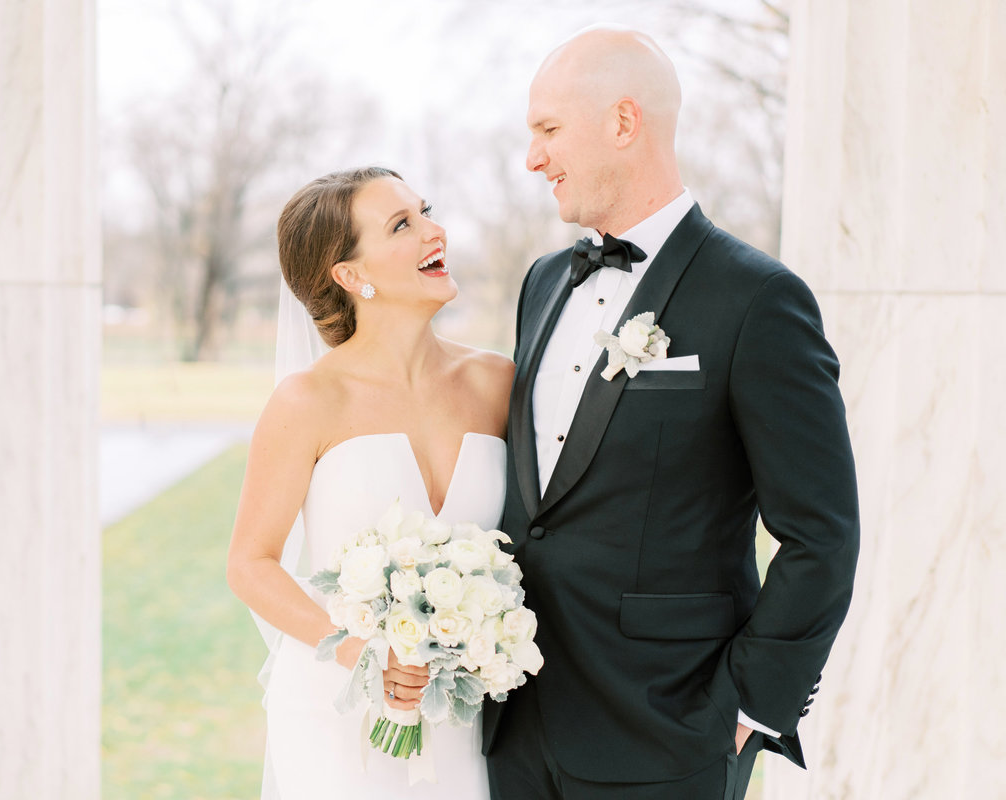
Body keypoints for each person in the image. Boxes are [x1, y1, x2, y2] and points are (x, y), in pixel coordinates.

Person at [481, 27, 860, 800]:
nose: (533, 159)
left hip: (665, 736)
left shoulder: (757, 300)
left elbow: (822, 534)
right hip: (513, 731)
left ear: (624, 124)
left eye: (548, 131)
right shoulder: (543, 282)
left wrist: (751, 705)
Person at [228, 166, 513, 800]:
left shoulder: (497, 384)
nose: (433, 231)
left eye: (426, 212)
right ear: (351, 276)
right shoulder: (307, 401)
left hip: (463, 713)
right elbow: (250, 564)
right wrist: (365, 652)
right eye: (401, 225)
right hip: (338, 712)